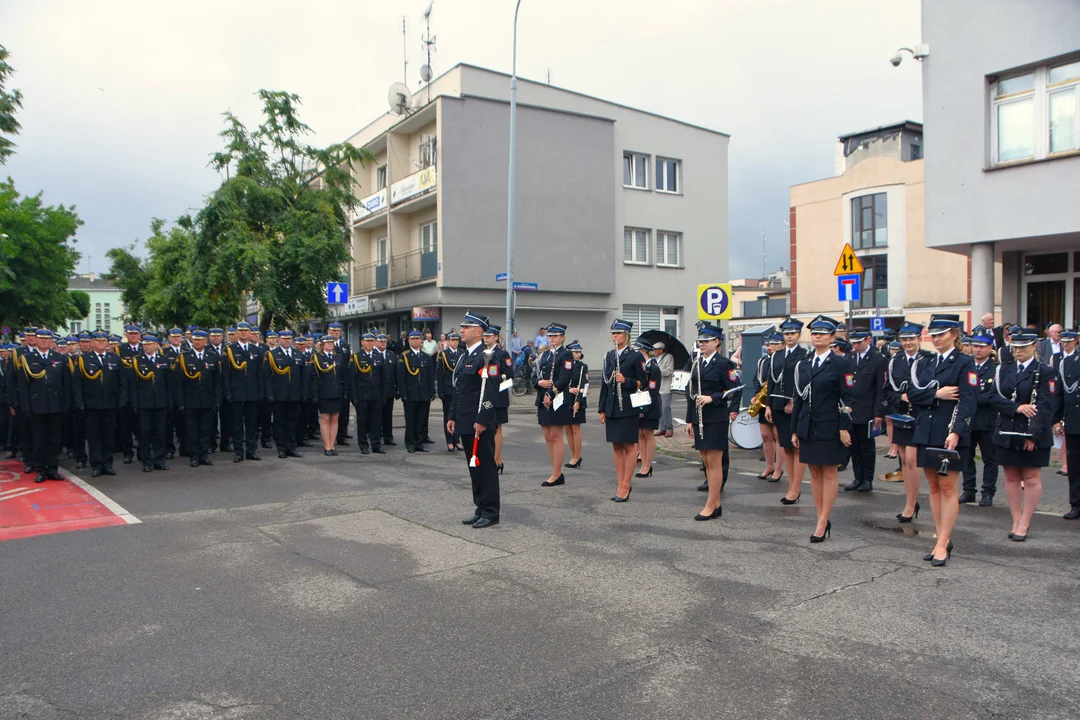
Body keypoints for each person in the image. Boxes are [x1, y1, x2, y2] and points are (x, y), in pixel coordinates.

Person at [906, 314, 977, 566]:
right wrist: (936, 393)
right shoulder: (925, 363)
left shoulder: (965, 363)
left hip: (950, 433)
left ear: (954, 334)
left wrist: (957, 431)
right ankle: (941, 539)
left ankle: (941, 543)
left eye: (942, 334)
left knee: (948, 488)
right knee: (933, 487)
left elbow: (969, 401)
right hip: (926, 431)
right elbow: (912, 394)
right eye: (933, 335)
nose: (936, 339)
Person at [988, 328, 1062, 541]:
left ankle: (1025, 521)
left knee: (1030, 477)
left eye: (1023, 347)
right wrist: (1017, 407)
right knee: (1011, 476)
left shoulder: (1045, 371)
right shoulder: (1004, 369)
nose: (1018, 351)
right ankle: (1015, 518)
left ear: (1034, 346)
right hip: (1007, 429)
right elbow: (993, 397)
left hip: (1032, 430)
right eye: (1015, 347)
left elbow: (1047, 406)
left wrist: (1033, 435)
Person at [791, 316, 854, 540]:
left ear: (832, 337)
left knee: (828, 472)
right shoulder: (805, 364)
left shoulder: (840, 363)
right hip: (808, 424)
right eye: (815, 333)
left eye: (823, 333)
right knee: (814, 473)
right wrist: (794, 429)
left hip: (830, 425)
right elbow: (798, 398)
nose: (818, 337)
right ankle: (820, 517)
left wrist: (844, 427)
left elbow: (847, 398)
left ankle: (823, 520)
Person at [450, 311, 502, 529]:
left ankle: (491, 512)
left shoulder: (489, 355)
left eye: (466, 327)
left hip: (479, 423)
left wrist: (482, 419)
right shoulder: (465, 356)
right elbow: (459, 389)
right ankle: (479, 507)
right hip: (465, 420)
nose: (461, 330)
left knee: (486, 467)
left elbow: (491, 393)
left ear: (479, 331)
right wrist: (452, 415)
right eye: (462, 327)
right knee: (474, 467)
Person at [684, 322, 740, 520]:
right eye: (700, 341)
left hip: (716, 418)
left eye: (706, 341)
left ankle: (711, 503)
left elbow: (735, 389)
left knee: (715, 461)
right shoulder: (697, 363)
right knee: (706, 460)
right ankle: (715, 503)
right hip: (700, 418)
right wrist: (689, 420)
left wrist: (713, 398)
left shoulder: (724, 363)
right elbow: (691, 392)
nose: (702, 344)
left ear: (717, 342)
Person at [597, 320, 647, 501]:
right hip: (612, 406)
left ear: (627, 335)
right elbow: (604, 384)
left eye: (618, 333)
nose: (615, 337)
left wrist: (626, 380)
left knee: (628, 445)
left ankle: (626, 485)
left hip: (627, 406)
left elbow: (644, 383)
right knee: (616, 446)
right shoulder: (609, 356)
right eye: (613, 334)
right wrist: (602, 409)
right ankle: (619, 484)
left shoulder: (635, 356)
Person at [884, 321, 928, 522]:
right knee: (904, 460)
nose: (908, 342)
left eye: (911, 338)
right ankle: (910, 500)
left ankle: (911, 503)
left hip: (920, 415)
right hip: (901, 414)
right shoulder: (895, 360)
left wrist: (915, 397)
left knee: (912, 460)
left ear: (919, 338)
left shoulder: (928, 359)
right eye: (904, 339)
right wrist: (900, 398)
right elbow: (887, 390)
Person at [765, 318, 807, 505]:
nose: (789, 337)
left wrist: (792, 400)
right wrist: (768, 405)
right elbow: (771, 382)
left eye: (793, 333)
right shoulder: (777, 355)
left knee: (795, 446)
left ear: (799, 335)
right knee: (785, 446)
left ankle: (795, 489)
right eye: (787, 333)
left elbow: (803, 382)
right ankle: (791, 485)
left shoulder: (804, 354)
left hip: (794, 406)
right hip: (777, 405)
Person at [73, 331, 125, 477]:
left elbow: (122, 382)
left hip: (110, 404)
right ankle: (96, 464)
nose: (101, 343)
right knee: (94, 436)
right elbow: (77, 384)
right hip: (92, 404)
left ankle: (107, 464)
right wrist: (80, 403)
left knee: (109, 435)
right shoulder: (84, 359)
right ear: (92, 342)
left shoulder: (115, 358)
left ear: (108, 342)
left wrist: (121, 401)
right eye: (98, 340)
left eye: (104, 341)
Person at [841, 330, 886, 494]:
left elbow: (881, 389)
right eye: (853, 342)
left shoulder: (878, 360)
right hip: (851, 410)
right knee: (853, 446)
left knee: (867, 447)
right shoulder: (849, 358)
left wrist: (879, 413)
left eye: (859, 342)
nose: (855, 345)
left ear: (868, 340)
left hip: (868, 410)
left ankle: (867, 479)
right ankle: (857, 477)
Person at [960, 327, 999, 506]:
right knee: (966, 456)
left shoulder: (995, 369)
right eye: (975, 346)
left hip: (986, 420)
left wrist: (971, 397)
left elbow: (993, 395)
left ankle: (988, 492)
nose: (977, 349)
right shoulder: (966, 366)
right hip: (968, 419)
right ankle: (969, 490)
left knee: (989, 458)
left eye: (982, 346)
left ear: (990, 348)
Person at [172, 329, 222, 467]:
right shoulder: (184, 357)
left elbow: (218, 380)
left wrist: (217, 400)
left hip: (207, 399)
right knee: (192, 430)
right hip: (190, 400)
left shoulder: (212, 356)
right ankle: (193, 456)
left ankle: (204, 455)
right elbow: (178, 382)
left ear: (206, 341)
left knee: (206, 429)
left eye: (200, 339)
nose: (197, 342)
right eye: (195, 339)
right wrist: (180, 402)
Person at [535, 322, 573, 487]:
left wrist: (551, 393)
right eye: (550, 336)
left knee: (556, 436)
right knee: (548, 436)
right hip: (543, 399)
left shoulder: (566, 355)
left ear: (562, 337)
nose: (552, 339)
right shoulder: (545, 355)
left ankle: (557, 473)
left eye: (555, 336)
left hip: (557, 398)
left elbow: (564, 377)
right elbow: (536, 376)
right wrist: (539, 383)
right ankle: (555, 470)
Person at [129, 334, 173, 473]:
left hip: (160, 402)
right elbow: (133, 385)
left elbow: (169, 383)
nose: (145, 346)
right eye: (144, 344)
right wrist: (135, 403)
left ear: (156, 345)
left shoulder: (163, 359)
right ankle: (146, 461)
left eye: (149, 344)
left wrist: (169, 400)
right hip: (144, 403)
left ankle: (159, 460)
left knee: (160, 433)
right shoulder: (137, 360)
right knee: (145, 433)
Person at [223, 321, 264, 463]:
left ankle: (251, 451)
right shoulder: (230, 350)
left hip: (252, 392)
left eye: (246, 331)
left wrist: (261, 391)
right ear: (237, 333)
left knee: (252, 424)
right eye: (241, 331)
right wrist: (228, 392)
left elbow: (260, 373)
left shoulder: (256, 350)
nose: (244, 333)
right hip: (237, 393)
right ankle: (239, 452)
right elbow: (226, 374)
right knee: (237, 424)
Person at [264, 329, 307, 459]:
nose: (287, 340)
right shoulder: (272, 354)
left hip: (294, 395)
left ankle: (291, 447)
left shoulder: (298, 354)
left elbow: (303, 377)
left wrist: (304, 393)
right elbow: (268, 377)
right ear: (279, 340)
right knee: (280, 423)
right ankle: (281, 448)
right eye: (284, 338)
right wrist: (270, 393)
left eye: (289, 338)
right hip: (279, 395)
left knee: (293, 423)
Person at [398, 330, 435, 453]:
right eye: (412, 339)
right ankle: (410, 443)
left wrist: (432, 391)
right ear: (408, 341)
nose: (415, 341)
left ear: (421, 341)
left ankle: (419, 443)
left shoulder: (425, 357)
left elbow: (430, 376)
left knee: (421, 420)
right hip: (410, 393)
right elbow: (401, 377)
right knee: (410, 420)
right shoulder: (405, 356)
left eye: (417, 339)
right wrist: (402, 393)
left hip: (423, 393)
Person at [348, 332, 385, 455]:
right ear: (362, 342)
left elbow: (383, 377)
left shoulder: (378, 356)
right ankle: (363, 445)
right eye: (367, 341)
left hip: (376, 394)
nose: (370, 343)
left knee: (376, 421)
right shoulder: (357, 357)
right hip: (362, 394)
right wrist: (354, 396)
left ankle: (376, 444)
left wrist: (383, 394)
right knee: (362, 422)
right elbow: (352, 379)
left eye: (371, 341)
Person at [310, 335, 347, 456]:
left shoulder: (339, 357)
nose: (330, 345)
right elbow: (314, 378)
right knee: (325, 418)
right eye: (327, 343)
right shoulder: (317, 358)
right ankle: (327, 446)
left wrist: (345, 391)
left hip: (337, 392)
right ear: (322, 345)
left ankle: (332, 444)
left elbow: (343, 376)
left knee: (335, 418)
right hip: (324, 392)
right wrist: (315, 394)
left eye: (331, 343)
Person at [755, 333, 784, 481]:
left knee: (778, 436)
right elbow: (757, 379)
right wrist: (756, 395)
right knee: (766, 436)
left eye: (774, 344)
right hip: (763, 401)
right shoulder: (763, 361)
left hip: (777, 401)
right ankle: (769, 466)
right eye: (768, 345)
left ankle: (778, 469)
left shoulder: (784, 361)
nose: (770, 348)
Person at [483, 324, 512, 472]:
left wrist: (501, 379)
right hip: (485, 394)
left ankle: (496, 459)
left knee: (497, 428)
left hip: (498, 396)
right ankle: (494, 459)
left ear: (496, 337)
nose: (486, 338)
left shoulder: (502, 354)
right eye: (485, 336)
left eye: (489, 336)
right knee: (487, 427)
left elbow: (510, 374)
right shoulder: (483, 352)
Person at [1060, 327, 1080, 519]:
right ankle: (1076, 504)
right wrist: (1057, 418)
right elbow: (1061, 393)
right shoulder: (1068, 363)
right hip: (1074, 420)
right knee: (1074, 466)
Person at [635, 337, 662, 478]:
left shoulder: (653, 368)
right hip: (640, 403)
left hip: (650, 405)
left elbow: (652, 390)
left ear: (644, 351)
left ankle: (647, 465)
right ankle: (643, 463)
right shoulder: (642, 367)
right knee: (641, 434)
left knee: (648, 434)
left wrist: (644, 409)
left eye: (639, 350)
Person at [116, 324, 143, 463]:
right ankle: (128, 452)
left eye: (135, 333)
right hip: (126, 394)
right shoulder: (120, 350)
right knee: (126, 426)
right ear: (126, 335)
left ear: (139, 335)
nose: (133, 336)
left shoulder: (144, 348)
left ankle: (142, 451)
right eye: (130, 334)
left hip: (141, 393)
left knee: (141, 425)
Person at [436, 332, 463, 452]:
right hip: (448, 390)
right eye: (453, 340)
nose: (455, 342)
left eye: (457, 340)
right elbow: (440, 374)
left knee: (459, 416)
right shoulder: (443, 354)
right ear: (447, 341)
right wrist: (440, 390)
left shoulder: (462, 354)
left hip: (459, 390)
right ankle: (449, 440)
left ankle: (457, 439)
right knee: (448, 416)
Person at [326, 323, 352, 447]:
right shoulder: (325, 345)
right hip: (330, 382)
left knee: (344, 410)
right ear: (328, 331)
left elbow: (347, 365)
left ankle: (342, 435)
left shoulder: (344, 346)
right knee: (331, 412)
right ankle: (331, 437)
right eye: (333, 330)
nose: (336, 332)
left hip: (343, 381)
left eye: (338, 330)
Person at [563, 341, 588, 468]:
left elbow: (583, 384)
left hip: (577, 398)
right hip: (566, 398)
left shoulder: (583, 366)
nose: (578, 354)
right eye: (575, 352)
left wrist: (578, 401)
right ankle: (572, 455)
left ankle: (577, 456)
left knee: (575, 428)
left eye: (579, 352)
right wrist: (568, 389)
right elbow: (561, 380)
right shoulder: (565, 365)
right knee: (567, 428)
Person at [374, 333, 398, 446]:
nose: (383, 343)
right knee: (377, 416)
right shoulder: (373, 354)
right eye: (380, 341)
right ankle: (376, 437)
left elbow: (396, 372)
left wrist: (397, 388)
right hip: (377, 391)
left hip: (389, 390)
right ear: (375, 342)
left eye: (384, 341)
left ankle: (388, 437)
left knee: (388, 415)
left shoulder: (391, 354)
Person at [654, 341, 675, 438]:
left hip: (666, 386)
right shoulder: (654, 359)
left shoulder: (668, 357)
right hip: (657, 387)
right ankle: (661, 428)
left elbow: (669, 371)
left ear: (661, 350)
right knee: (659, 408)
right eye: (654, 349)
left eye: (656, 349)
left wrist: (658, 371)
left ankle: (669, 428)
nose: (654, 351)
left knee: (665, 407)